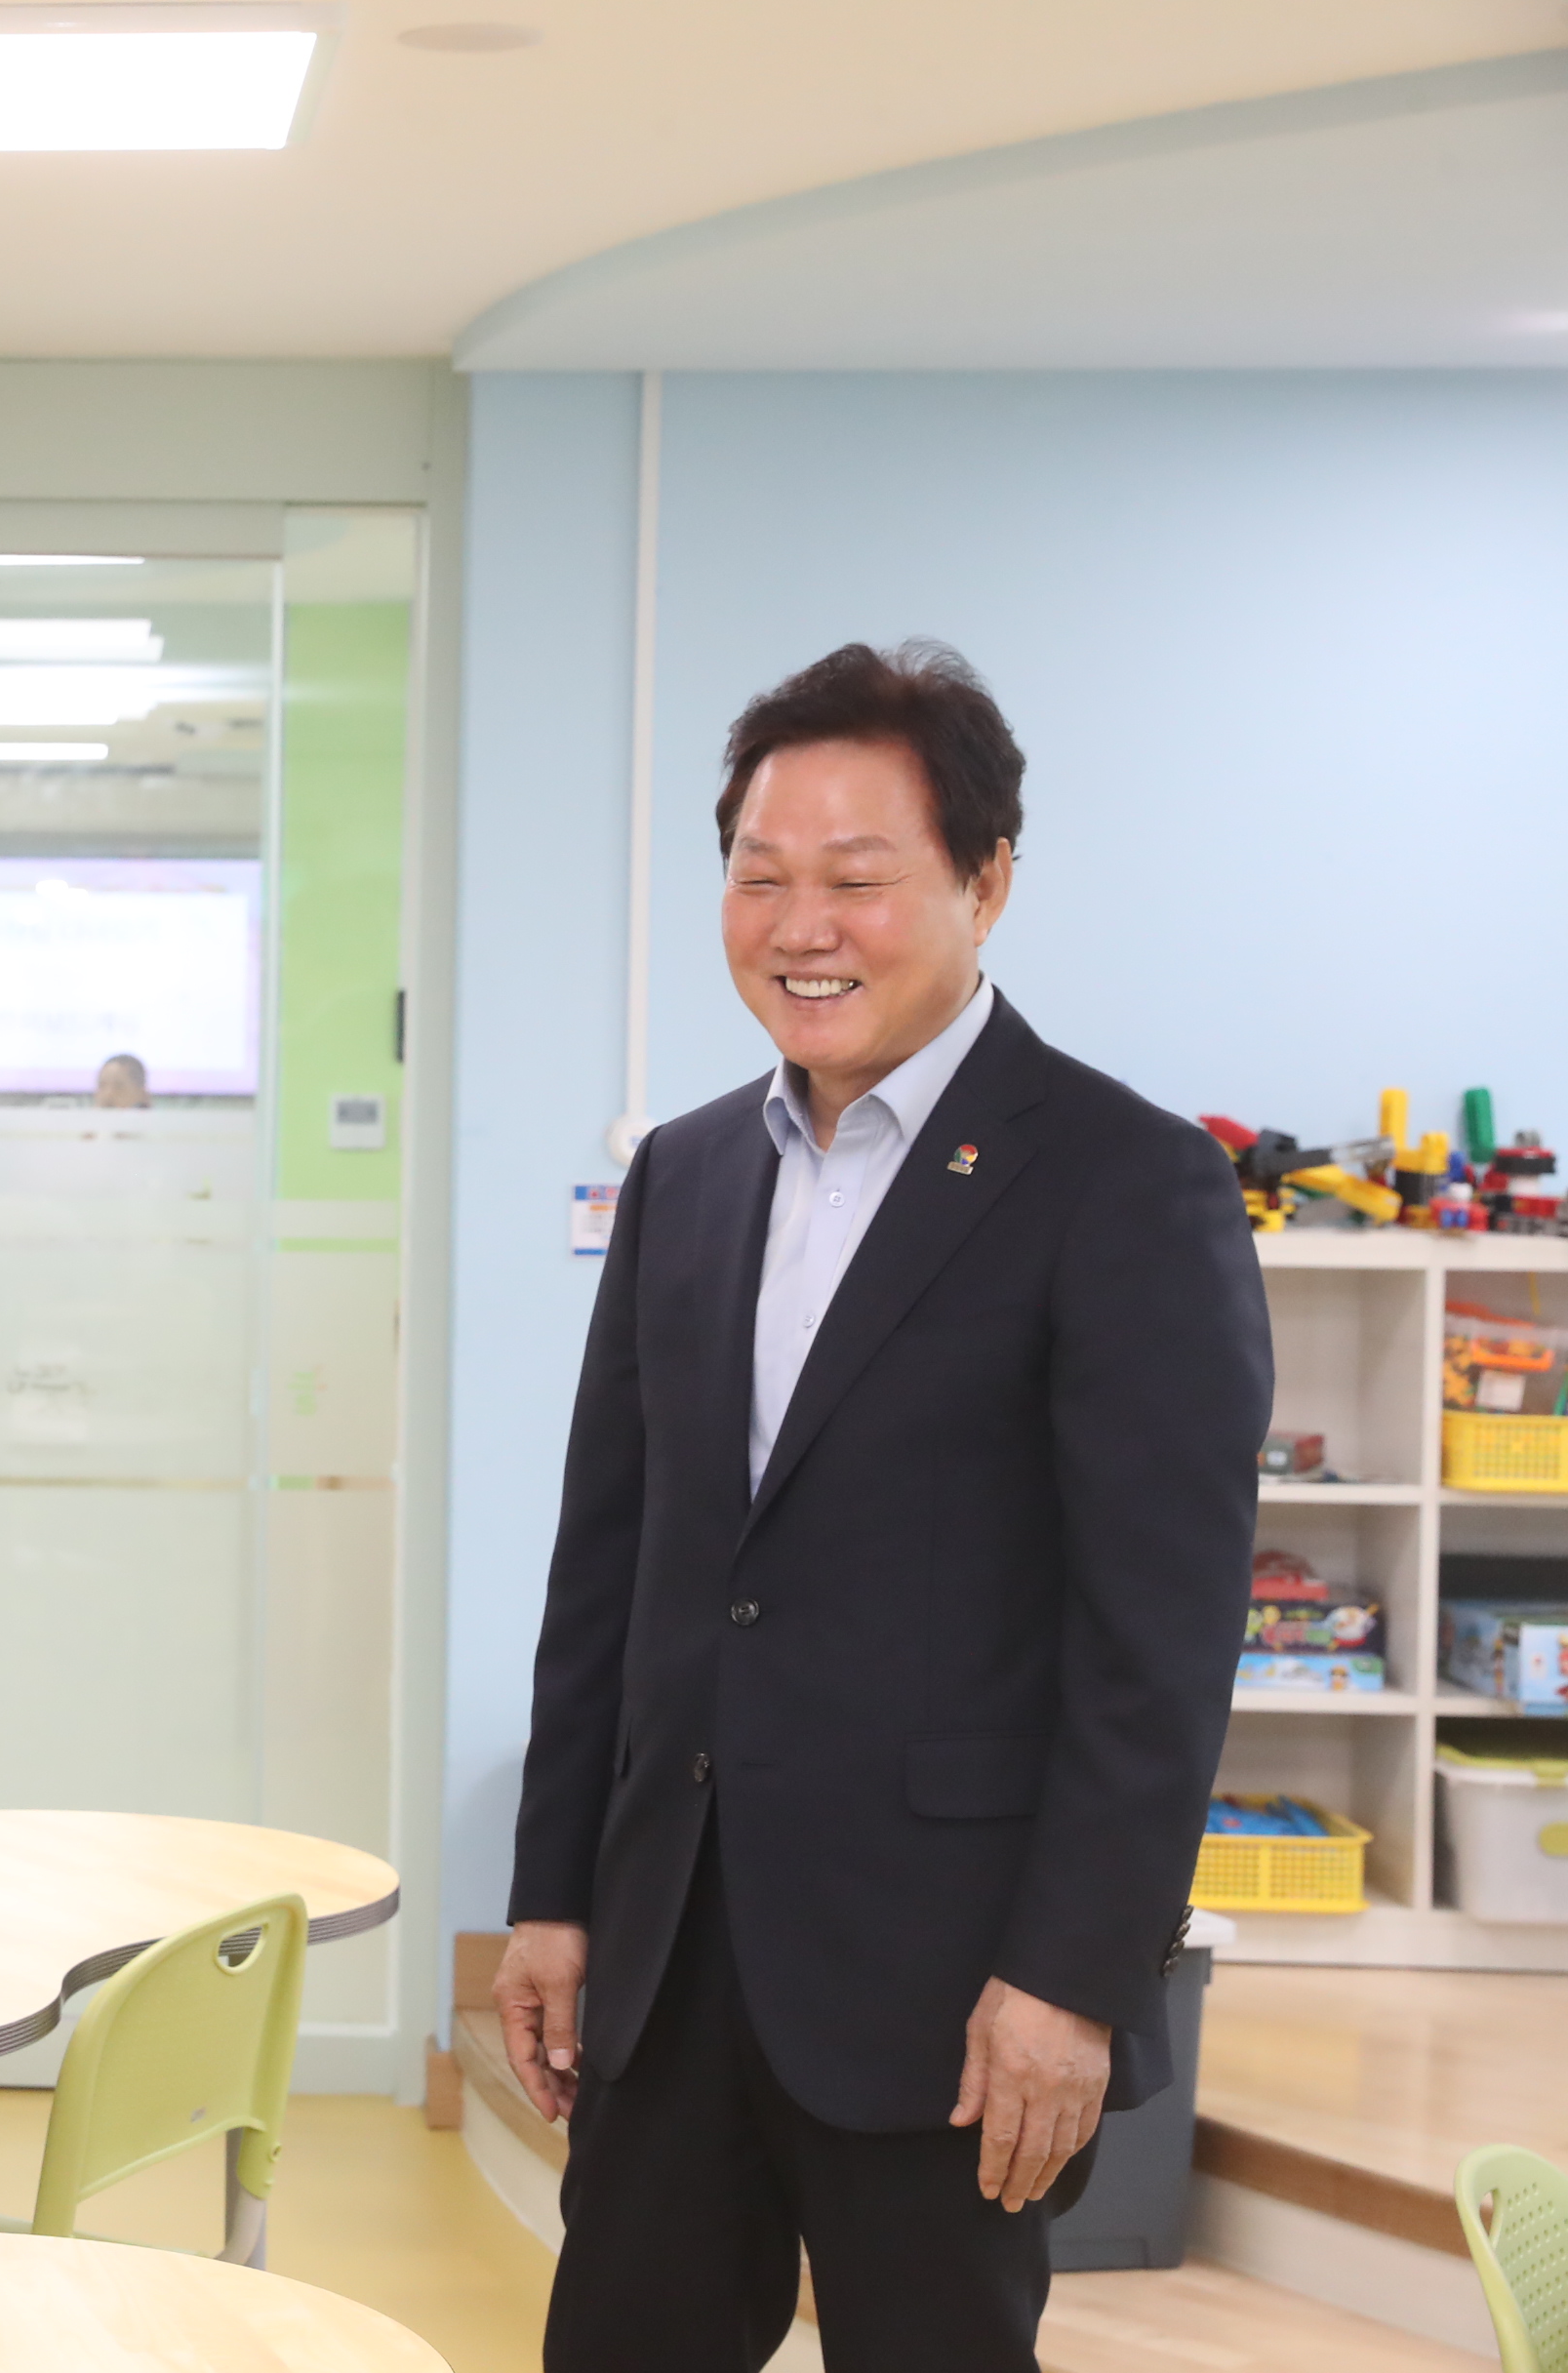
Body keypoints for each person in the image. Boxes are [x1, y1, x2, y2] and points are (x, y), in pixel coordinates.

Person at [494, 642, 1271, 2371]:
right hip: (672, 1954)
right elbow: (609, 1568)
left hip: (952, 1989)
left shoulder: (1124, 1180)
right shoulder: (688, 1171)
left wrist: (1074, 1977)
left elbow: (1156, 1641)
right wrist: (553, 1892)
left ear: (986, 884)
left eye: (856, 879)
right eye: (758, 877)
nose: (801, 927)